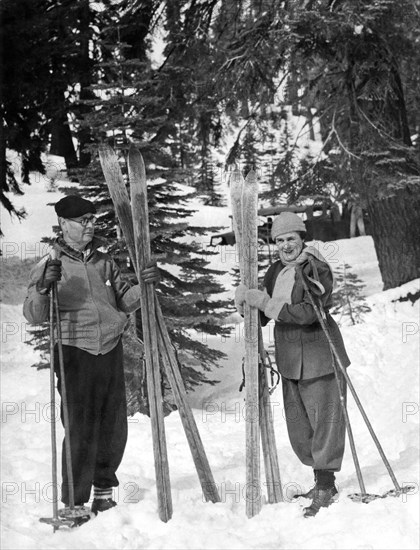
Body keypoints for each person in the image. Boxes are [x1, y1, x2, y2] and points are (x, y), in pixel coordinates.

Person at [23, 195, 159, 515]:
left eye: (91, 219)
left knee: (113, 425)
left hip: (109, 348)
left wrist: (146, 284)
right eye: (82, 221)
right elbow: (33, 314)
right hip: (74, 352)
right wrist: (43, 288)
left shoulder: (103, 261)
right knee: (80, 427)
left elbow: (125, 301)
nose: (89, 226)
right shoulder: (50, 264)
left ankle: (103, 490)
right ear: (63, 224)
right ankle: (75, 502)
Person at [235, 211, 350, 518]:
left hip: (319, 356)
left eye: (291, 239)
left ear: (302, 238)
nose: (286, 245)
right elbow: (262, 316)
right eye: (280, 240)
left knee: (325, 420)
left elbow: (307, 313)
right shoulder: (275, 271)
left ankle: (326, 484)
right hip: (289, 360)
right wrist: (245, 302)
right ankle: (318, 480)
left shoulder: (314, 266)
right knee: (300, 427)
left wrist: (264, 303)